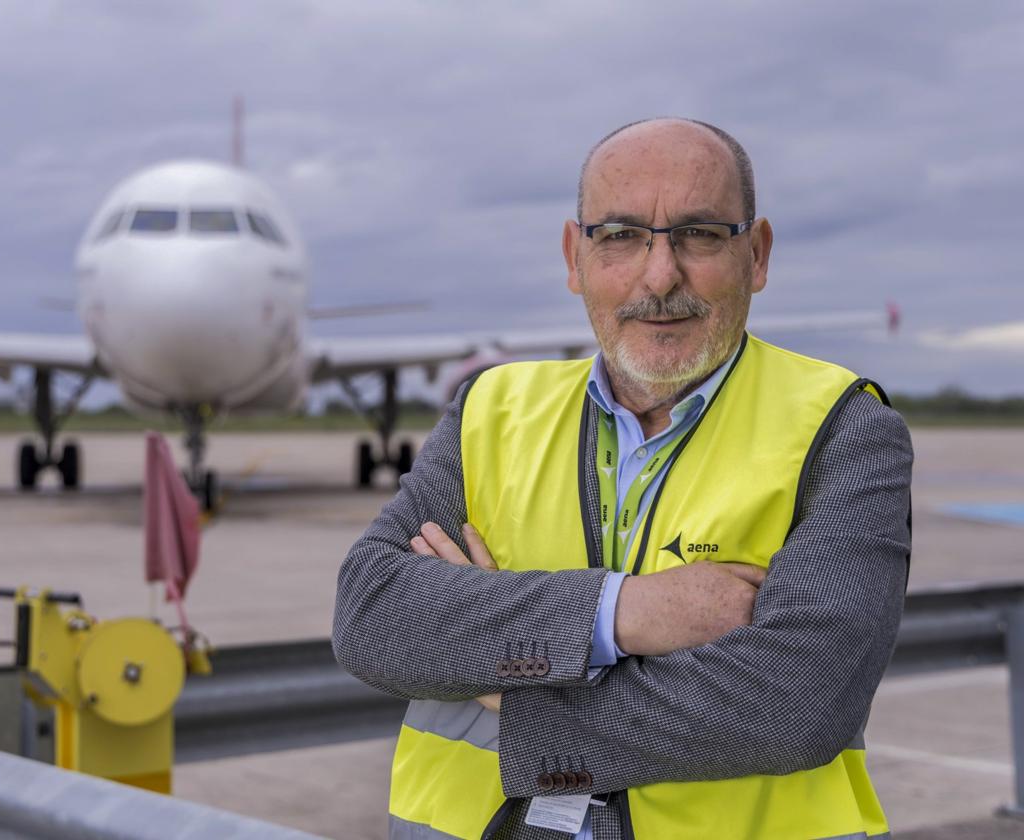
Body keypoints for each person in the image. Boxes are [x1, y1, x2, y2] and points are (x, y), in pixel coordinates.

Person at [332, 117, 912, 840]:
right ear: (575, 258)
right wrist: (622, 613)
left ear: (756, 256)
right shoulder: (491, 409)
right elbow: (372, 617)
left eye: (700, 233)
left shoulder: (843, 427)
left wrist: (505, 691)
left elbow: (796, 705)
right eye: (621, 235)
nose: (659, 276)